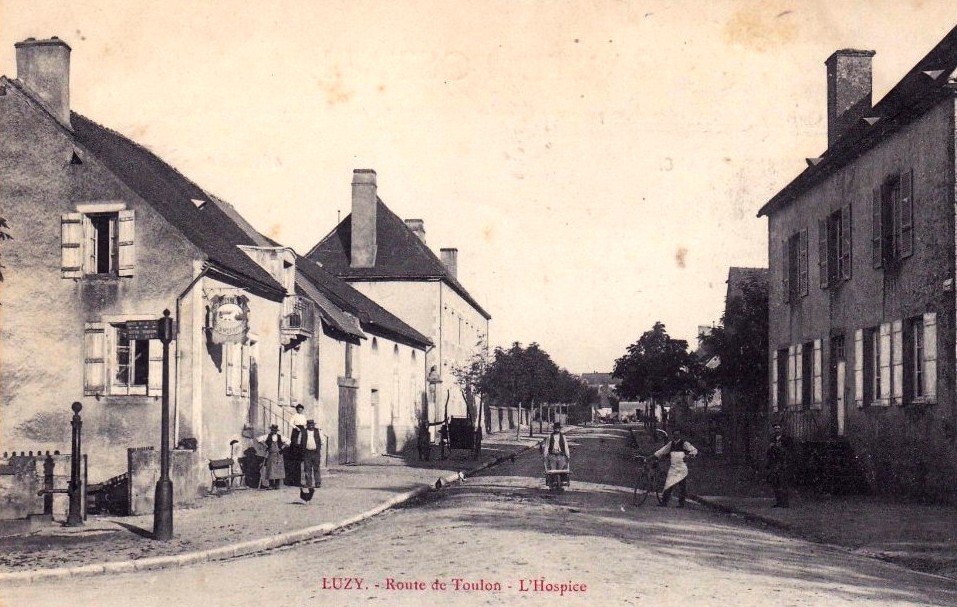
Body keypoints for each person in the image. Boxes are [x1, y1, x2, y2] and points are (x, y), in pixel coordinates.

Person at [654, 427, 697, 507]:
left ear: (680, 435)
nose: (676, 436)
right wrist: (655, 455)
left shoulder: (684, 443)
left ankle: (681, 504)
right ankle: (664, 502)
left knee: (682, 486)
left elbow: (694, 450)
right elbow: (662, 451)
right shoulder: (671, 444)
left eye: (677, 434)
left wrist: (689, 456)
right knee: (669, 483)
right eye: (674, 435)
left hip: (681, 467)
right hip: (673, 467)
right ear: (673, 435)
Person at [767, 421, 793, 508]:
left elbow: (789, 451)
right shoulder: (772, 439)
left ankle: (785, 503)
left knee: (783, 483)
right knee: (776, 483)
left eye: (778, 428)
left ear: (782, 429)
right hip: (774, 464)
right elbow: (769, 453)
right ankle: (778, 502)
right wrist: (770, 448)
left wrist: (779, 448)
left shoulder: (787, 439)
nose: (777, 430)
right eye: (775, 429)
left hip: (783, 464)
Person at [257, 424, 286, 489]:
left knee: (278, 469)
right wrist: (265, 445)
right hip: (271, 455)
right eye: (273, 430)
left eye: (275, 430)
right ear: (271, 430)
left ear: (277, 431)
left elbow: (288, 441)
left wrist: (282, 447)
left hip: (279, 455)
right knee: (270, 469)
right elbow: (259, 439)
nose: (274, 431)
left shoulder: (280, 436)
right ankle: (271, 485)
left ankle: (277, 485)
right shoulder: (268, 436)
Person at [542, 421, 571, 486]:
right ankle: (553, 482)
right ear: (554, 429)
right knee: (553, 469)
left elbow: (566, 446)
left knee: (562, 468)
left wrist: (568, 455)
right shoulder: (550, 437)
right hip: (552, 455)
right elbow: (547, 446)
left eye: (558, 428)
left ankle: (563, 481)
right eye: (555, 428)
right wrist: (545, 455)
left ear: (559, 429)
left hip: (561, 454)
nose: (557, 429)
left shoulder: (563, 437)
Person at [299, 419, 323, 491]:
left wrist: (318, 448)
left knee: (316, 467)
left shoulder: (318, 431)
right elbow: (299, 442)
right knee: (307, 468)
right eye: (309, 424)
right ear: (307, 425)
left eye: (312, 424)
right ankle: (308, 483)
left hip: (315, 452)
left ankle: (317, 483)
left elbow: (322, 441)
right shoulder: (303, 432)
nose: (311, 426)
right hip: (307, 453)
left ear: (314, 425)